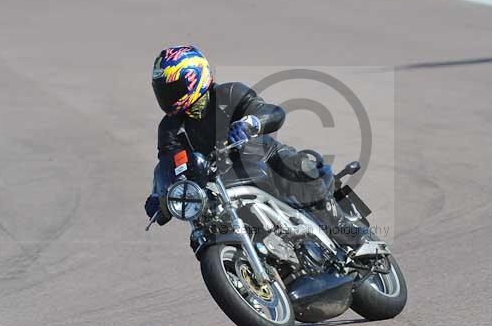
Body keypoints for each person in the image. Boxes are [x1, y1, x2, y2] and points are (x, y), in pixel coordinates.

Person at [143, 45, 372, 248]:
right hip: (217, 185)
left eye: (173, 88)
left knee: (300, 167)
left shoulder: (228, 94)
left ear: (195, 78)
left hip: (261, 157)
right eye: (162, 90)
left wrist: (250, 123)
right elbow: (167, 162)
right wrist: (159, 194)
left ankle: (343, 229)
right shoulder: (169, 128)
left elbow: (270, 111)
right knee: (200, 232)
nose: (167, 96)